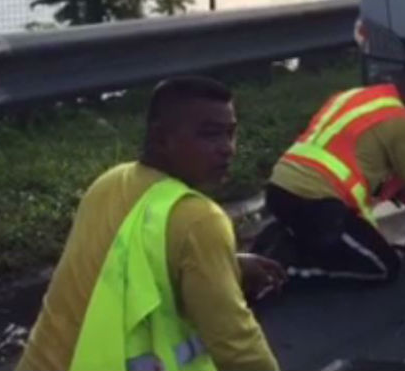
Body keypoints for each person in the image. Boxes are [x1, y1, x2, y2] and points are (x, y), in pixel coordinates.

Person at [16, 76, 284, 371]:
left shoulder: (110, 183)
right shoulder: (200, 220)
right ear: (160, 139)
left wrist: (226, 264)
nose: (228, 148)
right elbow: (237, 347)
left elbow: (134, 261)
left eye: (230, 133)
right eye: (210, 135)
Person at [258, 67, 405, 284]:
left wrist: (391, 189)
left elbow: (353, 157)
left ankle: (281, 238)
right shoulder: (402, 121)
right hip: (319, 204)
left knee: (325, 238)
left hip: (279, 187)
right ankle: (284, 272)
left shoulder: (351, 96)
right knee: (383, 266)